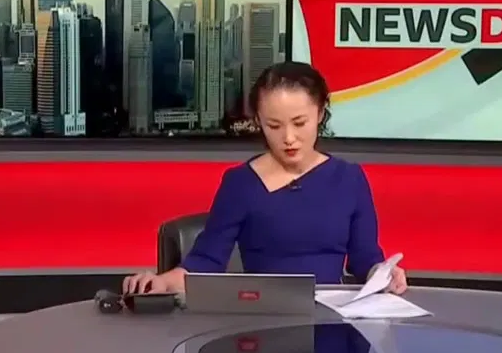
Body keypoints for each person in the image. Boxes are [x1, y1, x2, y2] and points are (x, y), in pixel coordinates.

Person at [123, 60, 407, 295]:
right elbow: (205, 262)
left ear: (320, 113)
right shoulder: (241, 183)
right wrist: (160, 282)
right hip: (263, 321)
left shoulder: (349, 179)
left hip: (330, 318)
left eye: (300, 123)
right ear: (258, 121)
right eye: (274, 125)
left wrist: (383, 274)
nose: (289, 138)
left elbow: (364, 258)